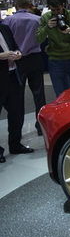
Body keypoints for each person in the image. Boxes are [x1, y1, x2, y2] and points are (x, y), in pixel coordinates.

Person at [2, 0, 46, 136]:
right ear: (29, 5)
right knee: (39, 94)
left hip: (17, 59)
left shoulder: (8, 21)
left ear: (16, 5)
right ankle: (41, 126)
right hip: (35, 58)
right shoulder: (38, 19)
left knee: (18, 96)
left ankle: (17, 132)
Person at [36, 0, 70, 96]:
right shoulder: (46, 18)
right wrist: (47, 27)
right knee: (61, 94)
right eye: (53, 10)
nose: (56, 13)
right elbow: (38, 39)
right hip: (55, 60)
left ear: (63, 5)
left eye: (58, 10)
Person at [0, 23, 33, 159]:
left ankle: (15, 144)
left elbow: (13, 45)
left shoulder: (4, 28)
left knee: (16, 112)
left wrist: (17, 52)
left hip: (12, 75)